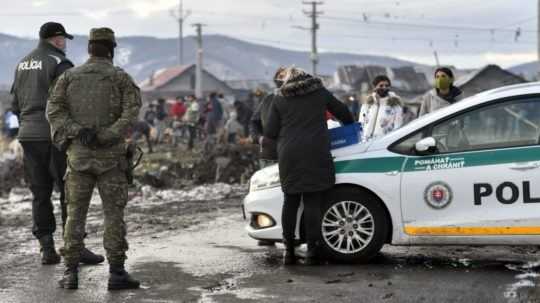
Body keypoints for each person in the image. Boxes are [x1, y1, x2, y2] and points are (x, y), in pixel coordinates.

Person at [47, 27, 141, 290]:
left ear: (89, 48)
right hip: (111, 158)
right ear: (111, 49)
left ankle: (70, 273)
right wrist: (109, 134)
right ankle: (117, 273)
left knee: (75, 215)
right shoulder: (121, 78)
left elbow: (54, 111)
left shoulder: (69, 77)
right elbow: (131, 112)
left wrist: (79, 132)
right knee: (114, 215)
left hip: (79, 157)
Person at [10, 21, 103, 266]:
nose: (65, 44)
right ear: (57, 38)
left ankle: (46, 249)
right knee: (69, 191)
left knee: (40, 193)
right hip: (55, 136)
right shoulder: (59, 62)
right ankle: (75, 247)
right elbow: (74, 99)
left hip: (28, 135)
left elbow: (15, 105)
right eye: (64, 39)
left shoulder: (22, 63)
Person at [264, 67, 354, 265]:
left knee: (291, 201)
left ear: (287, 80)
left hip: (290, 154)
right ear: (309, 79)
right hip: (316, 152)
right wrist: (350, 128)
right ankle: (313, 250)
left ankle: (289, 251)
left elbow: (270, 130)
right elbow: (344, 112)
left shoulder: (279, 98)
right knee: (313, 202)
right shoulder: (319, 93)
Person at [250, 67, 286, 167]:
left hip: (291, 154)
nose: (283, 80)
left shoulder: (298, 101)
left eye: (286, 77)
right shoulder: (268, 100)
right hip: (269, 154)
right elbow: (254, 122)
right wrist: (259, 138)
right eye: (281, 77)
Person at [358, 75, 403, 141]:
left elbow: (398, 125)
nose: (384, 87)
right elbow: (361, 122)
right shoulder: (368, 104)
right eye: (381, 85)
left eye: (386, 85)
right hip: (366, 142)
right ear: (375, 87)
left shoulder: (395, 105)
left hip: (384, 143)